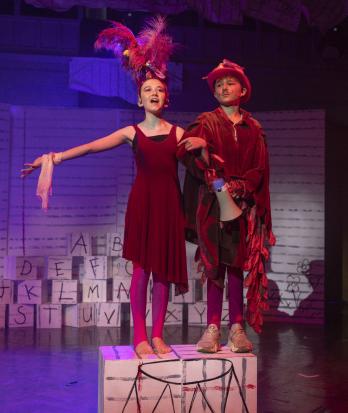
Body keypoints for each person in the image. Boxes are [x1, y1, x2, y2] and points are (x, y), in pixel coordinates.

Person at [21, 17, 188, 356]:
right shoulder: (132, 133)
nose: (154, 94)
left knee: (164, 275)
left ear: (166, 99)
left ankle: (158, 335)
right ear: (139, 100)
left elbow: (202, 167)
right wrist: (53, 157)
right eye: (147, 91)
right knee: (142, 272)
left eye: (159, 90)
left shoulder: (180, 134)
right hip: (143, 206)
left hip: (171, 206)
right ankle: (140, 337)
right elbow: (91, 146)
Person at [177, 59, 275, 353]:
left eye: (229, 82)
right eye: (218, 84)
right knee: (214, 264)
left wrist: (240, 187)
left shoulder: (253, 128)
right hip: (211, 203)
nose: (223, 87)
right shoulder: (206, 122)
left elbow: (259, 168)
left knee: (236, 264)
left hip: (242, 205)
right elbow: (186, 155)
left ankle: (236, 327)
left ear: (243, 89)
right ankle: (212, 328)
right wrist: (205, 160)